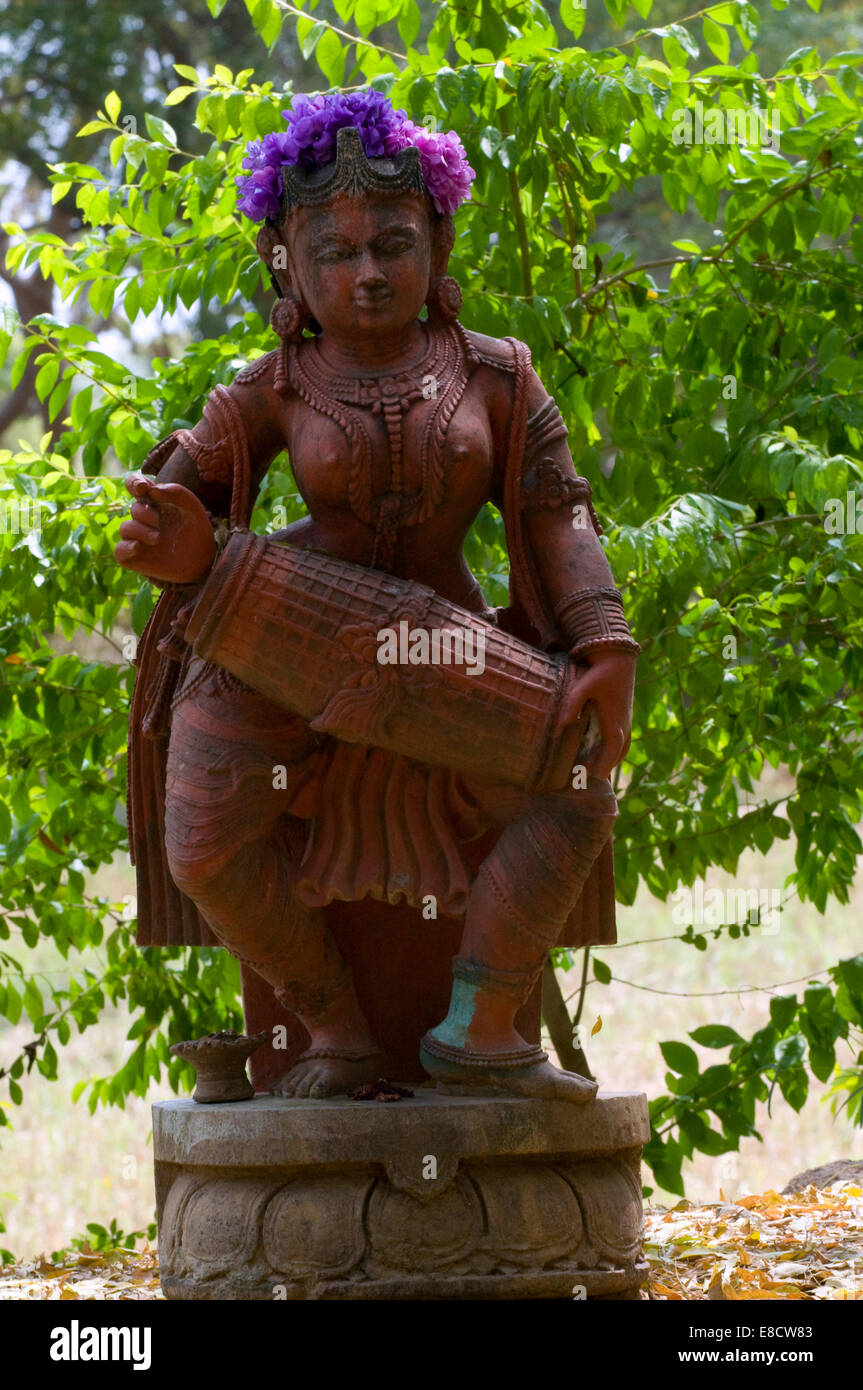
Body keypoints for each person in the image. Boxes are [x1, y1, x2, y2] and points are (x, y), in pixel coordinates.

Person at [115, 94, 639, 1102]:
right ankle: (333, 1028)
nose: (366, 272)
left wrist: (605, 644)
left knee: (575, 789)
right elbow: (181, 492)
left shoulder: (494, 375)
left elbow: (556, 512)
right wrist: (170, 525)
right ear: (287, 267)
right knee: (202, 842)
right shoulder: (268, 388)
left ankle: (483, 1024)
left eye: (391, 245)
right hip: (279, 638)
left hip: (446, 651)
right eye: (336, 252)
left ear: (436, 245)